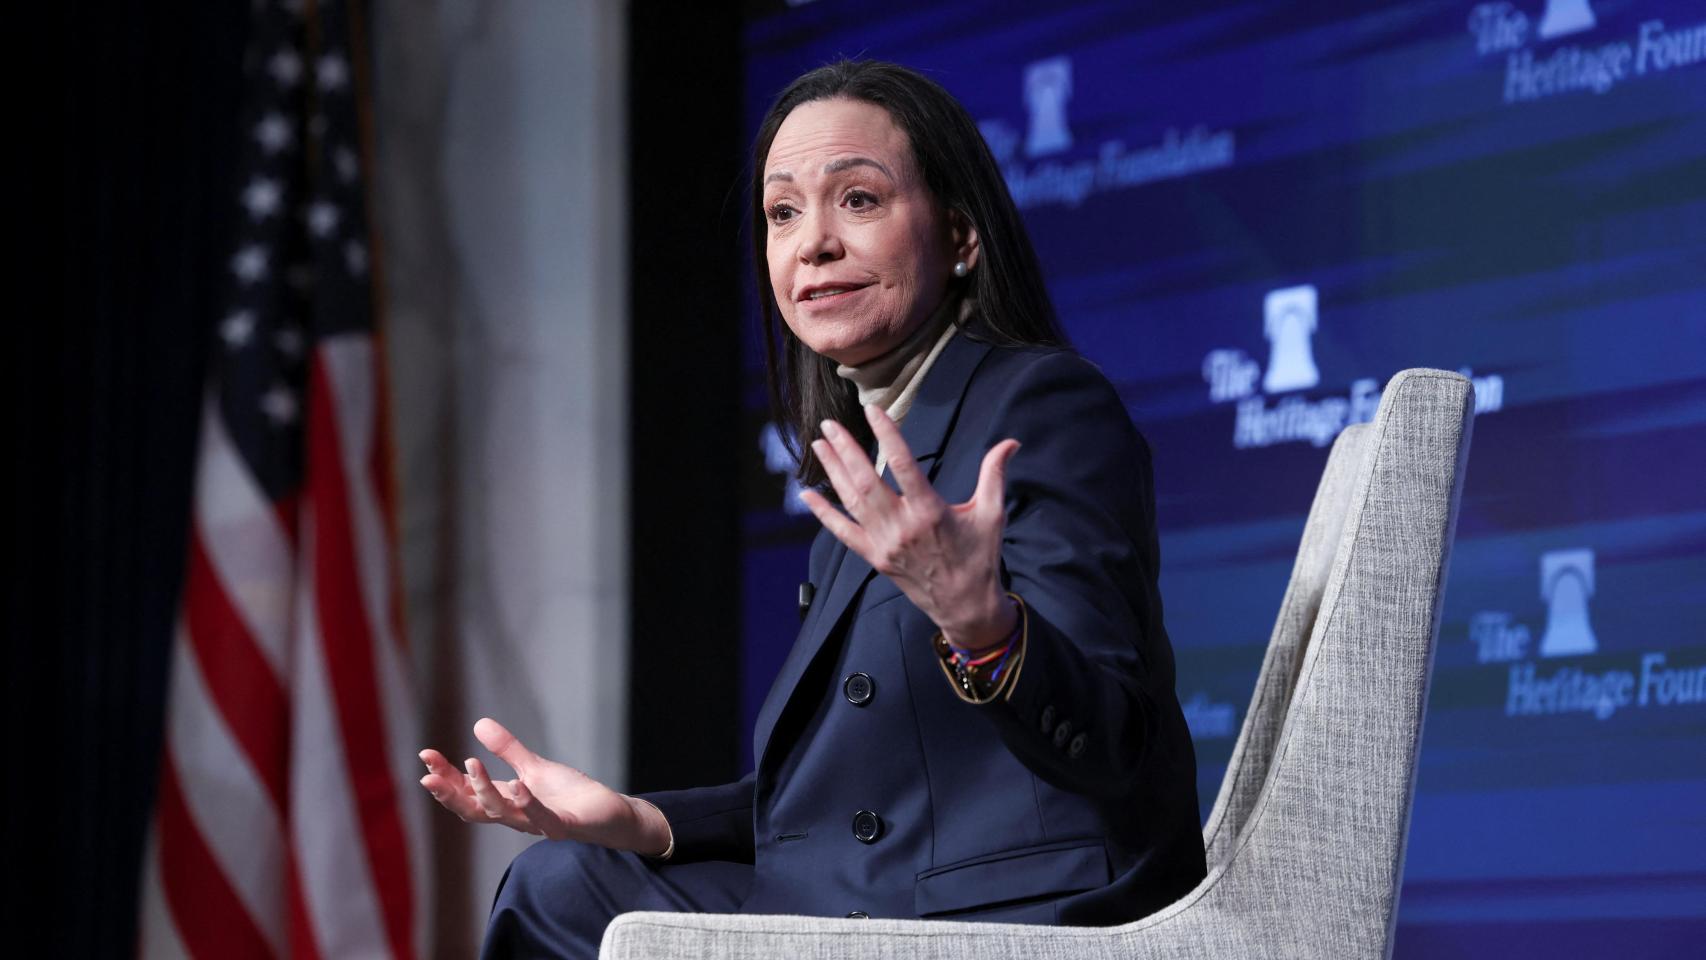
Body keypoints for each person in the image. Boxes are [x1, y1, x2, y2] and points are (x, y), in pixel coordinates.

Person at [418, 59, 1206, 959]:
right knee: (564, 882)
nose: (813, 244)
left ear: (958, 235)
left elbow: (1115, 740)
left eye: (858, 200)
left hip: (1008, 914)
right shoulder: (861, 456)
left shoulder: (1042, 405)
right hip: (876, 891)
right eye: (783, 212)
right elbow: (843, 802)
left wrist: (981, 623)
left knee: (563, 898)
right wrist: (637, 820)